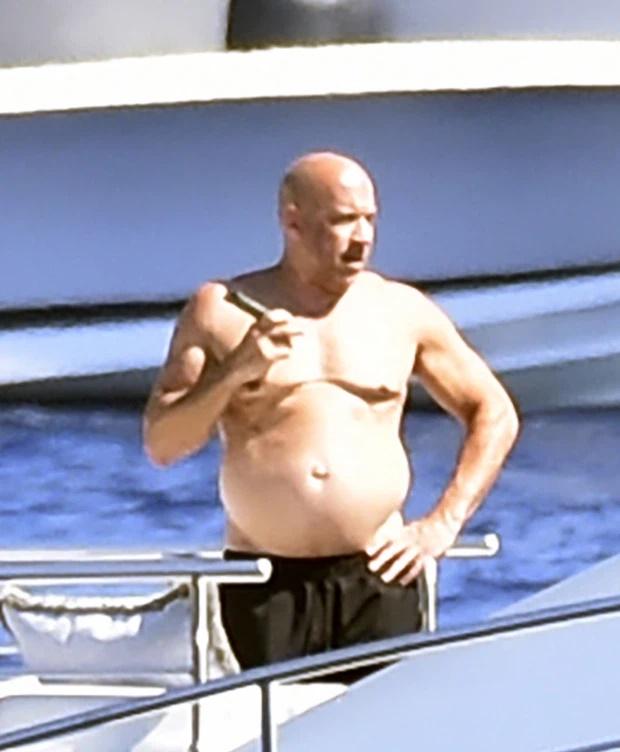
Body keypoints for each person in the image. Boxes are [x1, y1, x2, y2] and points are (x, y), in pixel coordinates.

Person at [143, 151, 519, 678]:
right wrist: (235, 373)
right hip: (264, 581)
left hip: (380, 572)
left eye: (370, 220)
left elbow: (494, 412)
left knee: (381, 725)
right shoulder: (223, 309)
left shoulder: (400, 310)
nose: (361, 238)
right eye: (343, 221)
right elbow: (162, 445)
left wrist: (443, 523)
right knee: (274, 728)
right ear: (292, 221)